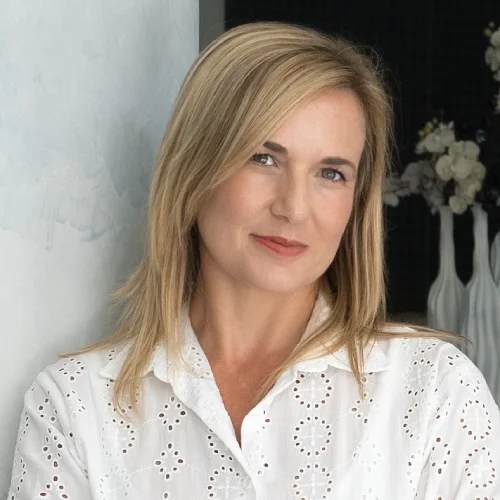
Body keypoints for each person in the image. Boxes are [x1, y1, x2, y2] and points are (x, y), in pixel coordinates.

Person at [7, 21, 500, 500]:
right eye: (263, 158)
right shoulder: (75, 405)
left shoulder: (435, 391)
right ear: (194, 169)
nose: (294, 208)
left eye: (330, 173)